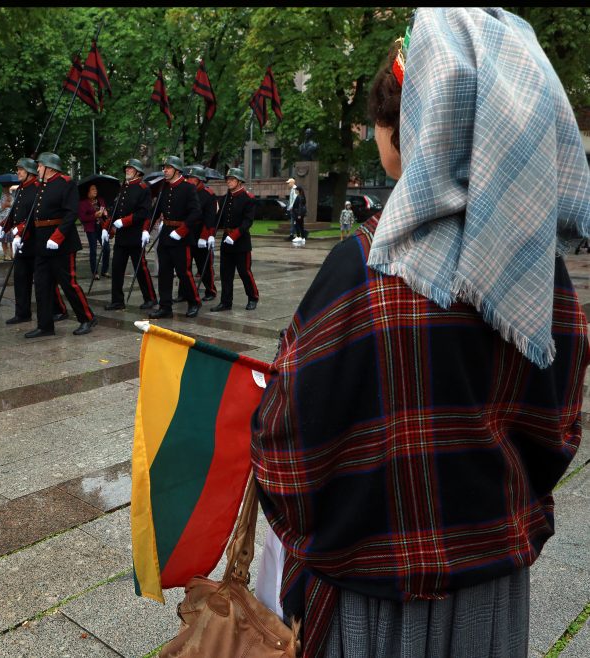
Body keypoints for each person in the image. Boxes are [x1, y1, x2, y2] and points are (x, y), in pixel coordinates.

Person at [252, 9, 590, 656]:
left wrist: (321, 539)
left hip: (373, 593)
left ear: (418, 128)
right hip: (490, 596)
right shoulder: (538, 272)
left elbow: (285, 444)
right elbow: (558, 430)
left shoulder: (366, 265)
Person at [24, 151, 96, 338]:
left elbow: (71, 213)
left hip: (61, 243)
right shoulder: (42, 185)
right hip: (41, 242)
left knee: (68, 283)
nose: (37, 168)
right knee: (42, 285)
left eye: (39, 165)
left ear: (48, 167)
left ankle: (87, 318)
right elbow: (35, 214)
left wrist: (57, 237)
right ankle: (45, 325)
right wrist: (22, 234)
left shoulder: (66, 183)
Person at [1, 158, 69, 325]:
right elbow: (15, 212)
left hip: (34, 239)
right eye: (18, 169)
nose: (18, 172)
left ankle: (58, 309)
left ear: (30, 172)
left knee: (44, 280)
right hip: (21, 241)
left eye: (21, 170)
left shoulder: (38, 188)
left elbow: (33, 216)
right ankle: (22, 312)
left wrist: (19, 230)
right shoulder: (21, 189)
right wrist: (3, 226)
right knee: (20, 277)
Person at [148, 155, 201, 320]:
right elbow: (156, 211)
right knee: (164, 272)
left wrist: (182, 230)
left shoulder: (188, 188)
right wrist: (146, 230)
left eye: (168, 168)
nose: (165, 170)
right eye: (164, 167)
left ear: (177, 170)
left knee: (183, 272)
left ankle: (194, 302)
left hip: (181, 237)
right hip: (165, 236)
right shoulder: (163, 187)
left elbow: (196, 212)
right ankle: (165, 307)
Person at [102, 158, 157, 311]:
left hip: (135, 234)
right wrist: (106, 227)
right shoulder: (123, 187)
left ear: (138, 171)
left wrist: (124, 221)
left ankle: (150, 298)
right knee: (117, 267)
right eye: (126, 168)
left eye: (130, 168)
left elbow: (143, 212)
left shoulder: (143, 188)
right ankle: (117, 300)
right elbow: (114, 209)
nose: (127, 170)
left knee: (141, 268)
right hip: (121, 236)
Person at [210, 168, 258, 312]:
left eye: (232, 179)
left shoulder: (248, 198)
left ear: (239, 181)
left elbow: (247, 221)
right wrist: (211, 234)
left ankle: (252, 297)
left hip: (241, 241)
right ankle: (226, 302)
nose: (229, 182)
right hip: (227, 241)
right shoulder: (224, 199)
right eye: (228, 179)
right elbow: (218, 220)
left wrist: (235, 235)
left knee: (244, 272)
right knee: (226, 273)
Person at [184, 164, 218, 302]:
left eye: (192, 178)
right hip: (187, 231)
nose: (189, 180)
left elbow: (210, 218)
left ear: (199, 180)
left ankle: (210, 290)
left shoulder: (208, 195)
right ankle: (183, 292)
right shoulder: (186, 192)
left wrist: (205, 236)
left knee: (203, 264)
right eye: (188, 177)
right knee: (184, 265)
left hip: (201, 233)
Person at [79, 183, 109, 280]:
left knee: (107, 248)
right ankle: (94, 272)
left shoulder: (101, 200)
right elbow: (83, 218)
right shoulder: (83, 203)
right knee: (93, 250)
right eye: (92, 189)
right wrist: (94, 216)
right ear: (87, 192)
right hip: (91, 228)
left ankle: (104, 270)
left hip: (102, 227)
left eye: (95, 189)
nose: (95, 191)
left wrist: (105, 213)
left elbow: (105, 213)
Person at [287, 177, 306, 244]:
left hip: (297, 213)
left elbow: (299, 206)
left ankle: (298, 237)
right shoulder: (302, 196)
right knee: (301, 225)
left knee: (297, 224)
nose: (295, 191)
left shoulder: (299, 197)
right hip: (300, 213)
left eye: (296, 190)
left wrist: (299, 214)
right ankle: (302, 237)